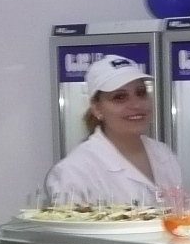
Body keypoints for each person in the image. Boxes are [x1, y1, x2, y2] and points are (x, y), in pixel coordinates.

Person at [45, 55, 180, 204]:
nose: (136, 105)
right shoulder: (74, 172)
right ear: (97, 109)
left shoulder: (164, 154)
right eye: (119, 97)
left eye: (141, 93)